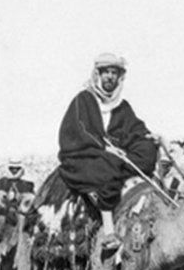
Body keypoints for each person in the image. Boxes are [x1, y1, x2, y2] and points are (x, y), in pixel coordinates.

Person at [56, 53, 158, 250]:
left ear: (119, 78)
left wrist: (150, 138)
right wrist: (104, 147)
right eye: (106, 72)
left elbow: (135, 129)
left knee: (146, 150)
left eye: (114, 73)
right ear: (98, 75)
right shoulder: (83, 100)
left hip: (116, 155)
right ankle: (109, 228)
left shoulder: (122, 106)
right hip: (85, 155)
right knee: (108, 165)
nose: (110, 77)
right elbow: (78, 130)